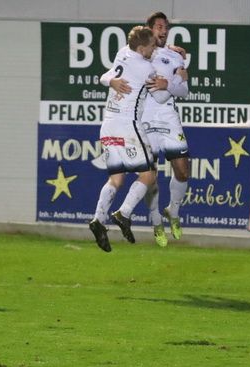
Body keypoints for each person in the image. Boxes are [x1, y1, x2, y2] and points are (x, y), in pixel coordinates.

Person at [105, 11, 190, 247]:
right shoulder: (133, 53)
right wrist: (111, 80)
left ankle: (173, 211)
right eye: (159, 27)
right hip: (143, 120)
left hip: (168, 119)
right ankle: (156, 221)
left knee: (183, 171)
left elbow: (184, 91)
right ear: (149, 29)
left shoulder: (175, 56)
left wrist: (170, 83)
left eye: (166, 27)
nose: (163, 31)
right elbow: (114, 74)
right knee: (150, 176)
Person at [88, 26, 157, 252]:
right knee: (148, 175)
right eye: (152, 46)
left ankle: (98, 220)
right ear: (142, 48)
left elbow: (104, 76)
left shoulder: (123, 53)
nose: (154, 49)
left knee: (116, 180)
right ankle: (124, 213)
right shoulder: (146, 68)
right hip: (128, 126)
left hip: (108, 125)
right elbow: (160, 87)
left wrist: (111, 81)